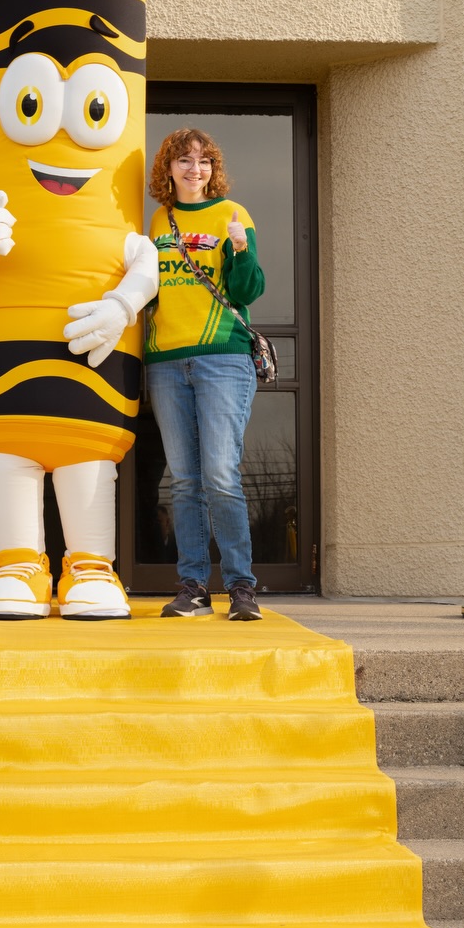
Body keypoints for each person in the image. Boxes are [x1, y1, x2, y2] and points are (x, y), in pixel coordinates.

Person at [146, 128, 265, 621]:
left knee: (220, 475)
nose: (195, 169)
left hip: (223, 358)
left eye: (204, 161)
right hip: (166, 361)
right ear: (168, 168)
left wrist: (240, 248)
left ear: (213, 170)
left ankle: (241, 587)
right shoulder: (158, 221)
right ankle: (193, 586)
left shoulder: (232, 214)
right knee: (184, 480)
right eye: (184, 160)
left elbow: (248, 290)